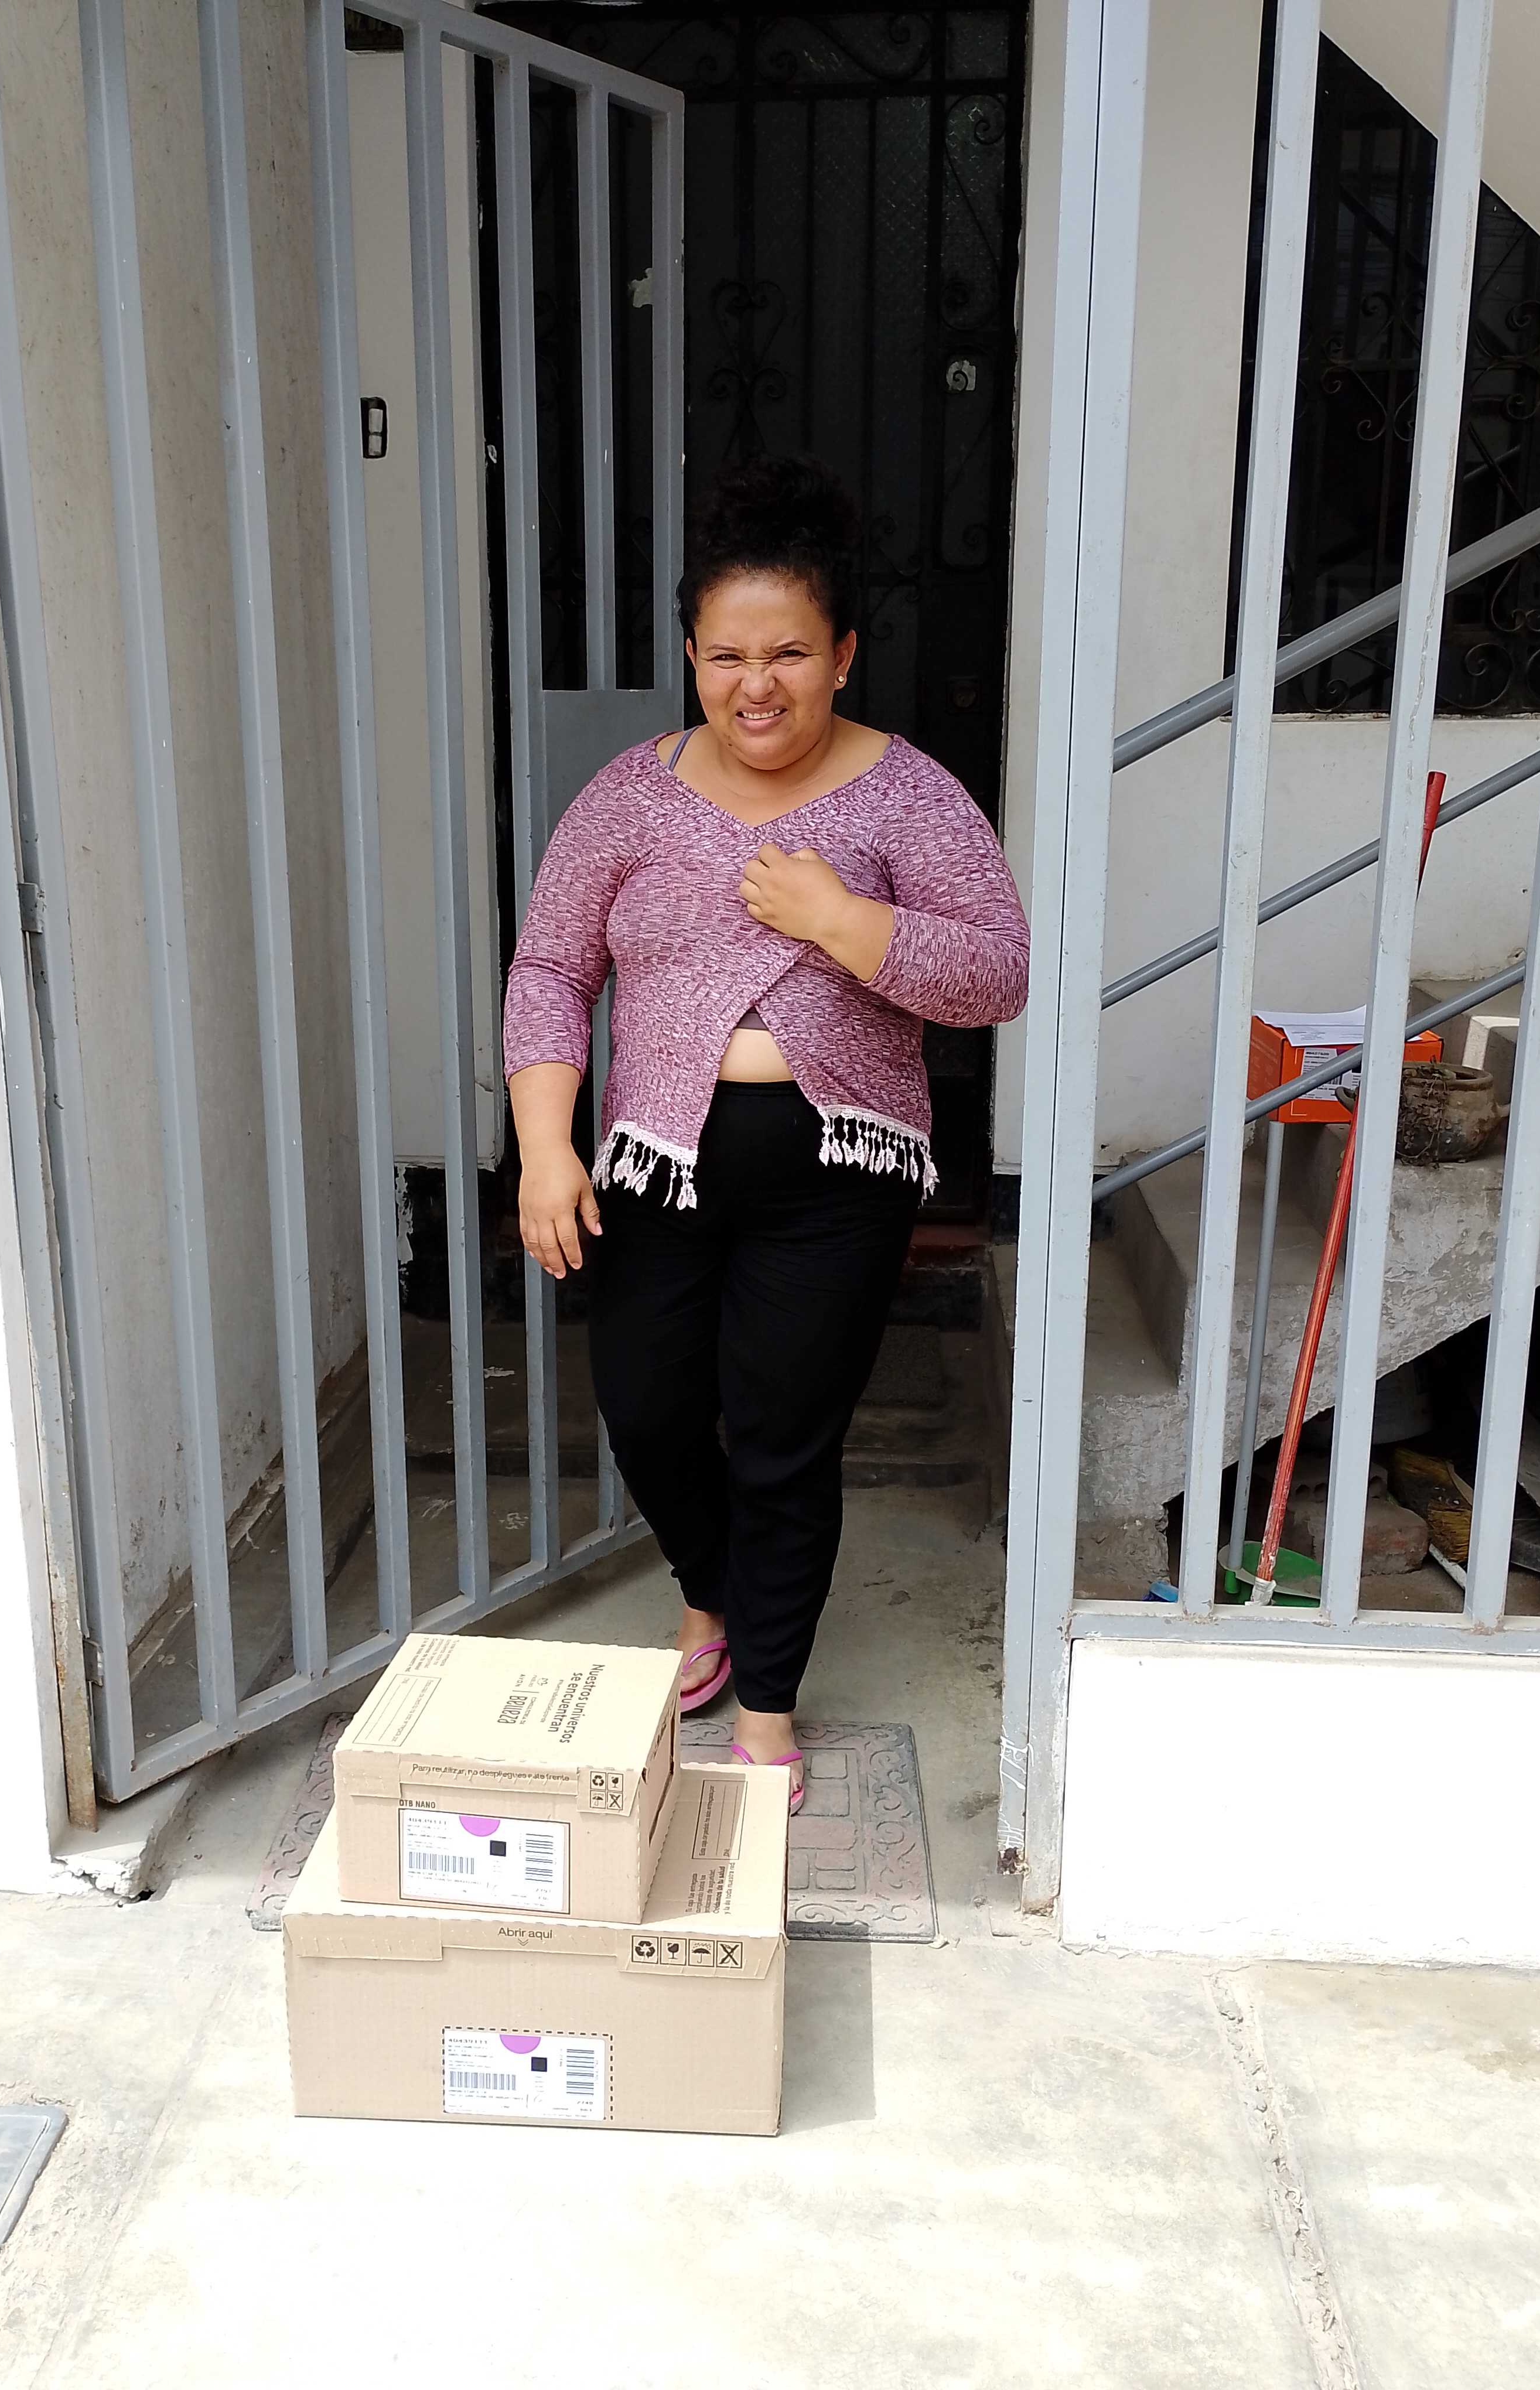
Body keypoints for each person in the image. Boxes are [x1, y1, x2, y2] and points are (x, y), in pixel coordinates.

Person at [503, 456, 1028, 1811]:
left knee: (786, 1439)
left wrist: (845, 921)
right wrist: (549, 1146)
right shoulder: (629, 796)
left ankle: (768, 1714)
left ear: (843, 654)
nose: (757, 686)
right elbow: (551, 968)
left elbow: (998, 972)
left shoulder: (908, 795)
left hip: (836, 1178)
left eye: (790, 653)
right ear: (691, 656)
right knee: (649, 1409)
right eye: (727, 656)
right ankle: (710, 1591)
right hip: (654, 1164)